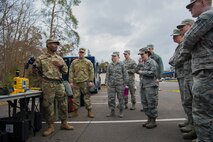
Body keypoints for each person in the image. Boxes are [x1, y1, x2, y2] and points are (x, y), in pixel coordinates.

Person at [180, 0, 213, 141]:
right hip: (204, 70)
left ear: (203, 1)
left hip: (206, 71)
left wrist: (185, 51)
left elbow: (188, 39)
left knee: (202, 113)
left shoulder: (207, 16)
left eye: (192, 5)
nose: (189, 9)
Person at [35, 38, 74, 137]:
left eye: (57, 44)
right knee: (48, 106)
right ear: (48, 45)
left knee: (63, 104)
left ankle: (64, 123)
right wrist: (34, 69)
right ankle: (50, 126)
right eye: (54, 44)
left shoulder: (59, 58)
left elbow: (65, 71)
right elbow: (35, 72)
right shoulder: (41, 58)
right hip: (47, 84)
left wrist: (61, 65)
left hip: (59, 84)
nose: (56, 45)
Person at [177, 19, 197, 140]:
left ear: (190, 26)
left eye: (182, 28)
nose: (180, 30)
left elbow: (181, 57)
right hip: (186, 74)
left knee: (197, 104)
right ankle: (192, 123)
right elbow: (175, 59)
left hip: (194, 74)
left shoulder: (193, 38)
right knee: (188, 102)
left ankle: (199, 130)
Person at [69, 48, 95, 118]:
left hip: (85, 82)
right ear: (78, 53)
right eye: (80, 52)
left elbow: (91, 72)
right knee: (76, 97)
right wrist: (71, 81)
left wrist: (90, 81)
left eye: (82, 52)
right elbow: (71, 71)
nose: (81, 53)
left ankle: (89, 111)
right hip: (76, 83)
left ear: (84, 53)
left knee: (87, 97)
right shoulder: (74, 62)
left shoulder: (88, 62)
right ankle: (75, 112)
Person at [138, 48, 159, 129]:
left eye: (142, 54)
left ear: (147, 53)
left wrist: (142, 72)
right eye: (140, 54)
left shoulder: (152, 62)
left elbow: (153, 73)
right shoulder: (143, 63)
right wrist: (139, 64)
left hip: (150, 86)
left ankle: (153, 120)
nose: (141, 56)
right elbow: (136, 70)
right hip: (144, 86)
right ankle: (149, 119)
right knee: (145, 103)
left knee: (151, 103)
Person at [105, 52, 129, 118]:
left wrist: (125, 84)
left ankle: (121, 111)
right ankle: (112, 111)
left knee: (121, 98)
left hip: (120, 85)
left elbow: (125, 74)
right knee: (111, 98)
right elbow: (107, 74)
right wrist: (106, 82)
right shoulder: (110, 65)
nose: (113, 57)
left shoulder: (122, 64)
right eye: (112, 56)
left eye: (114, 56)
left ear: (118, 57)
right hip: (111, 85)